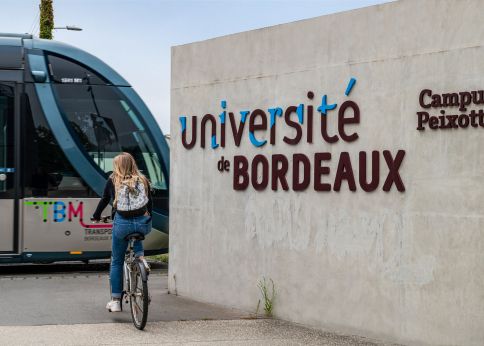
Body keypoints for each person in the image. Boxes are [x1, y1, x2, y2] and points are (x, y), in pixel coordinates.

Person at [91, 152, 152, 312]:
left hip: (122, 225)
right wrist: (147, 218)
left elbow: (105, 199)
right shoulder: (143, 180)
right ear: (133, 164)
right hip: (142, 224)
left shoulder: (113, 180)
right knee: (137, 229)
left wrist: (96, 216)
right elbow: (148, 205)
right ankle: (141, 258)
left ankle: (116, 300)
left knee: (117, 261)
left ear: (117, 166)